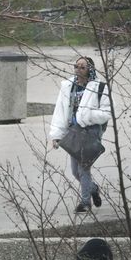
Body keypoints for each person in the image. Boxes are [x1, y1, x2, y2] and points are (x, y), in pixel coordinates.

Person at [50, 56, 112, 213]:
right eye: (76, 66)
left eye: (82, 67)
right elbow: (60, 111)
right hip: (73, 131)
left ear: (90, 69)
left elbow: (106, 112)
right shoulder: (68, 86)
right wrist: (57, 135)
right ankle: (93, 188)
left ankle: (85, 203)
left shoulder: (99, 87)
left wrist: (87, 116)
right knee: (75, 171)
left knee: (84, 168)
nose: (78, 69)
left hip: (90, 131)